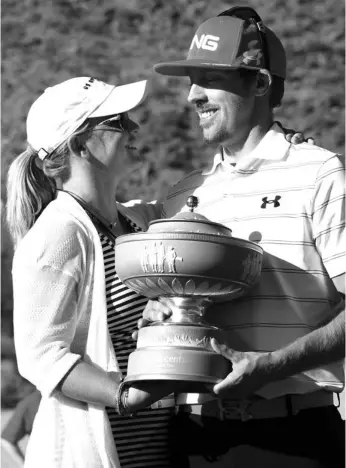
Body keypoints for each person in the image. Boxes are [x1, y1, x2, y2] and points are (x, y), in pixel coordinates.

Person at [142, 5, 345, 468]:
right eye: (190, 80)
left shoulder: (320, 173)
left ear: (259, 82)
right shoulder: (185, 192)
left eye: (209, 78)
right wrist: (161, 312)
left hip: (293, 438)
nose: (192, 96)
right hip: (191, 437)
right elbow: (168, 310)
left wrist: (275, 366)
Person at [5, 76, 186, 468]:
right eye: (118, 121)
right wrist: (126, 394)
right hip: (102, 454)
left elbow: (209, 198)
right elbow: (42, 357)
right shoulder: (57, 235)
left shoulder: (139, 219)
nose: (134, 127)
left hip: (166, 449)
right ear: (80, 144)